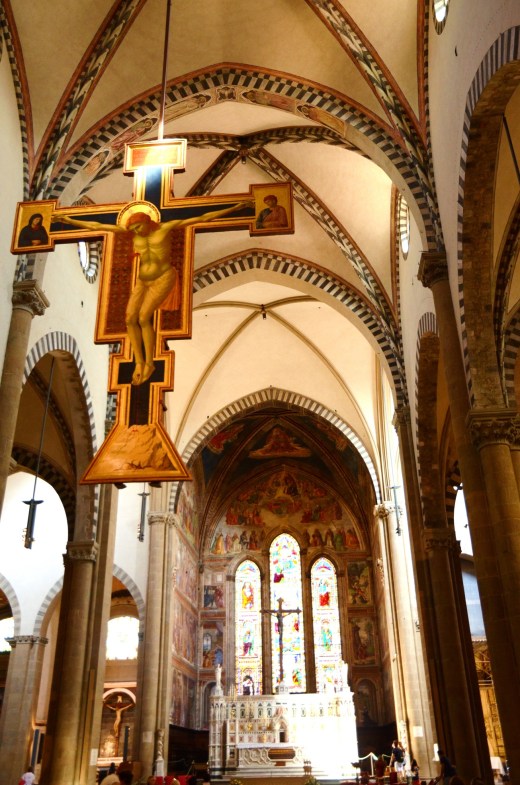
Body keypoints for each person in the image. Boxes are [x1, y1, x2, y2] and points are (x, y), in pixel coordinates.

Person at [53, 200, 251, 385]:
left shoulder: (164, 229)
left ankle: (150, 363)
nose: (136, 232)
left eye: (138, 227)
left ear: (148, 221)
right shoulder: (134, 234)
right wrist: (69, 219)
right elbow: (97, 226)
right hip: (142, 280)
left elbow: (202, 217)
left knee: (143, 317)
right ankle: (139, 362)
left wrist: (235, 208)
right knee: (130, 318)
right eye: (132, 229)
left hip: (163, 278)